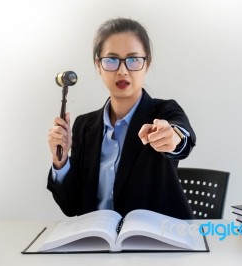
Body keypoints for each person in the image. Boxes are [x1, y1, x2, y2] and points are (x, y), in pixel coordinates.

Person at [47, 18, 196, 219]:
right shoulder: (84, 126)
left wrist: (174, 139)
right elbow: (72, 206)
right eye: (111, 60)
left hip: (154, 243)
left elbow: (183, 139)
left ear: (147, 64)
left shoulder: (164, 112)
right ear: (98, 65)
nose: (122, 70)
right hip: (97, 241)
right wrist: (61, 162)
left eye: (134, 59)